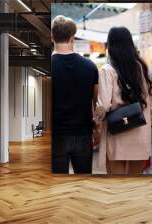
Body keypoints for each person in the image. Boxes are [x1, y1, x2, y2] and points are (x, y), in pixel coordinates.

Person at [94, 26, 152, 175]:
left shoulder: (107, 70)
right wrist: (151, 119)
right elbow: (150, 100)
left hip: (118, 132)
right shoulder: (141, 67)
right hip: (140, 132)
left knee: (117, 183)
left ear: (110, 45)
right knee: (135, 182)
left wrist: (96, 122)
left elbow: (103, 105)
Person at [51, 15, 98, 174]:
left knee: (56, 186)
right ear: (72, 37)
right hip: (83, 135)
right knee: (83, 184)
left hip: (56, 136)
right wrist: (97, 130)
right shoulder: (90, 67)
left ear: (52, 36)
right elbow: (96, 105)